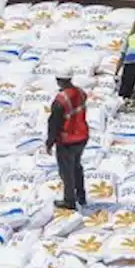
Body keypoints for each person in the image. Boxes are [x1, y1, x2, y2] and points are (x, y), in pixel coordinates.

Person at [46, 73, 88, 210]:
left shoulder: (60, 101)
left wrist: (49, 142)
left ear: (59, 81)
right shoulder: (81, 92)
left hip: (67, 140)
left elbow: (54, 124)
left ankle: (69, 201)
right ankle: (81, 195)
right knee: (77, 166)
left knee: (66, 171)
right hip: (82, 137)